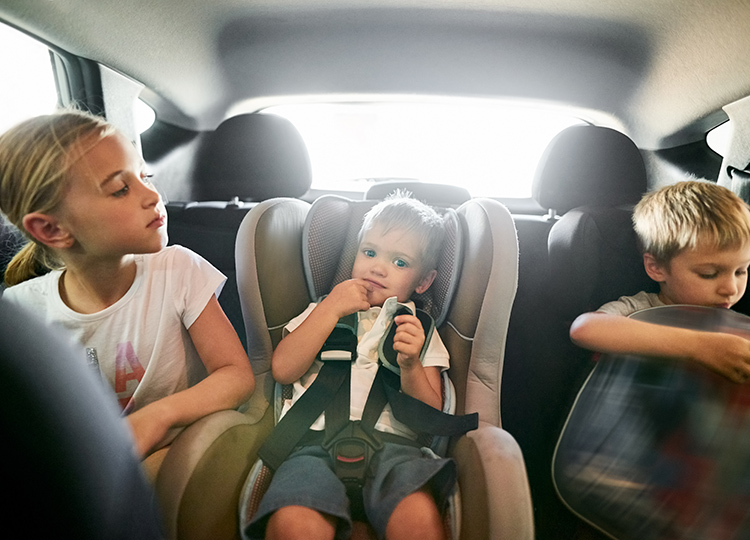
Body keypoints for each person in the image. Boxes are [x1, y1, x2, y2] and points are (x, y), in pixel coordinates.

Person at [0, 109, 255, 458]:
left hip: (182, 446)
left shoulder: (178, 268)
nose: (152, 195)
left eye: (145, 176)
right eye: (121, 189)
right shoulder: (20, 312)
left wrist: (157, 416)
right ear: (52, 230)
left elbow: (236, 375)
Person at [246, 193, 454, 540]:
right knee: (294, 523)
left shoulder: (418, 329)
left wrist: (411, 365)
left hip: (396, 451)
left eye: (400, 262)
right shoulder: (323, 310)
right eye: (369, 252)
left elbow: (430, 414)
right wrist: (329, 311)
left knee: (418, 520)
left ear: (423, 282)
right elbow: (283, 369)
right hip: (310, 444)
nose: (377, 267)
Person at [570, 179, 750, 384]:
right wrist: (699, 346)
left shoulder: (735, 326)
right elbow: (584, 328)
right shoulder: (638, 309)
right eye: (708, 274)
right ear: (656, 268)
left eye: (741, 271)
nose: (731, 288)